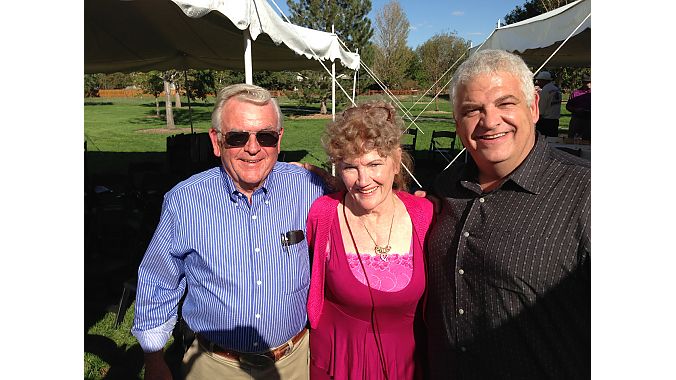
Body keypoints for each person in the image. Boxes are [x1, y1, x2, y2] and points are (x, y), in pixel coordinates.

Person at [131, 83, 326, 379]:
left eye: (266, 136)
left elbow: (363, 200)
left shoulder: (308, 187)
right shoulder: (185, 201)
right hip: (216, 365)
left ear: (279, 139)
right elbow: (159, 281)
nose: (252, 148)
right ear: (216, 140)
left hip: (294, 362)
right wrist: (154, 358)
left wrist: (409, 201)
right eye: (237, 137)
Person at [426, 49, 590, 379]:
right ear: (458, 123)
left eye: (505, 104)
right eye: (473, 110)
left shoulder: (588, 193)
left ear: (533, 107)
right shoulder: (444, 187)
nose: (490, 121)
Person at [305, 101, 434, 379]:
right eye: (350, 167)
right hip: (339, 361)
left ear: (396, 162)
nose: (363, 180)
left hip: (408, 363)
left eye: (375, 163)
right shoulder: (323, 214)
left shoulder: (424, 214)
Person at [534, 70, 562, 137]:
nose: (538, 82)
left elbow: (542, 106)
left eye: (539, 80)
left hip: (546, 120)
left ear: (544, 80)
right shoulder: (556, 89)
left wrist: (537, 117)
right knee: (553, 138)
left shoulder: (546, 90)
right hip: (555, 119)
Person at [566, 73, 592, 140]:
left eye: (590, 82)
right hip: (577, 119)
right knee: (573, 138)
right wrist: (576, 110)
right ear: (583, 83)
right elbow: (568, 106)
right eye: (587, 82)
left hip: (590, 119)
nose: (589, 84)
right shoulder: (576, 93)